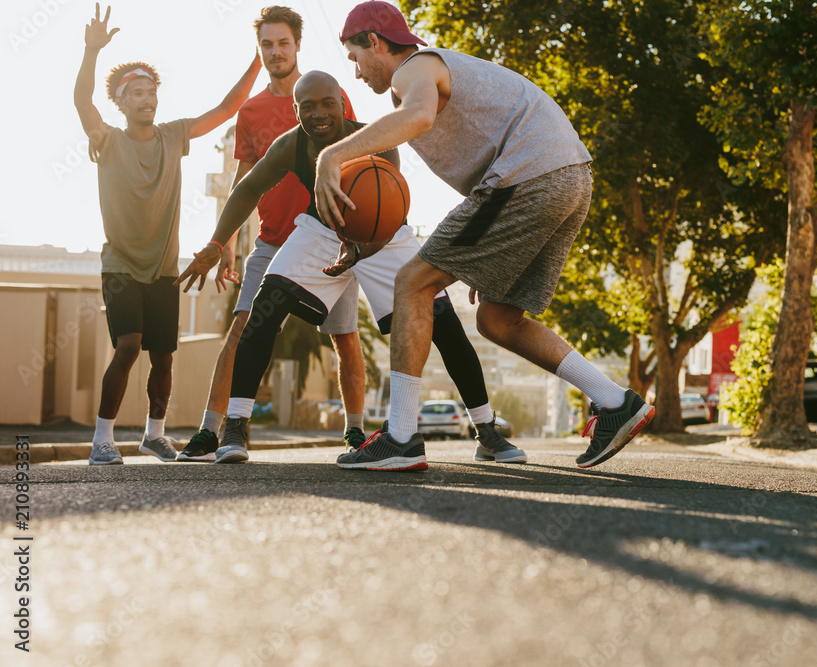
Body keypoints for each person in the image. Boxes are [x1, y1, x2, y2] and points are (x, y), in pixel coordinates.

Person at [314, 1, 656, 470]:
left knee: (411, 283)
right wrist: (484, 255)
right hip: (569, 178)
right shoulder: (434, 72)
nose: (355, 73)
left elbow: (418, 117)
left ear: (374, 41)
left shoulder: (414, 68)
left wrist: (330, 157)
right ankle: (616, 402)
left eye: (355, 57)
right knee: (498, 319)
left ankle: (401, 436)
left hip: (527, 176)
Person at [175, 70, 526, 468]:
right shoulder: (290, 146)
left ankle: (486, 430)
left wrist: (362, 248)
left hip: (383, 232)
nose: (319, 113)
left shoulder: (376, 138)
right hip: (321, 228)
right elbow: (246, 190)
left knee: (442, 318)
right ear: (296, 111)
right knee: (265, 306)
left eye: (328, 103)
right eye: (307, 106)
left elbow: (391, 209)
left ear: (343, 105)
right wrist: (215, 243)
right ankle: (236, 426)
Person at [175, 5, 368, 462]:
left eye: (283, 42)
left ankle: (356, 432)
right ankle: (214, 431)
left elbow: (357, 158)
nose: (275, 51)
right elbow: (245, 181)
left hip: (328, 240)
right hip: (271, 239)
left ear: (298, 44)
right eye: (267, 44)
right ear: (258, 49)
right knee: (242, 328)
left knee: (344, 338)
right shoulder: (252, 111)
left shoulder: (327, 96)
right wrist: (225, 243)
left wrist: (357, 235)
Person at [74, 4, 262, 465]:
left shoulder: (174, 136)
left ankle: (154, 435)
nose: (146, 98)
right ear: (121, 101)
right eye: (136, 93)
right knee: (128, 347)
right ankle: (103, 438)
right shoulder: (108, 140)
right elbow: (82, 102)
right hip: (120, 263)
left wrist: (259, 58)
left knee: (163, 357)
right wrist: (91, 51)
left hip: (163, 269)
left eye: (151, 91)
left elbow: (226, 108)